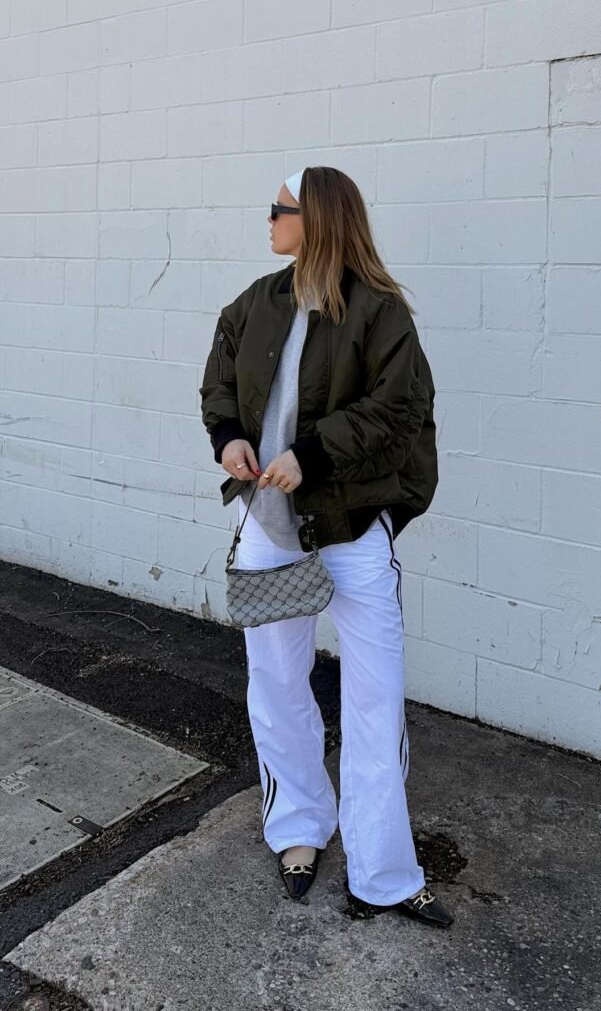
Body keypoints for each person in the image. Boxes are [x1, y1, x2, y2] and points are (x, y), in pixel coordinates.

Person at [199, 166, 453, 928]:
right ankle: (299, 829)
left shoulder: (379, 314)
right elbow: (217, 386)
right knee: (277, 687)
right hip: (268, 536)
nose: (267, 222)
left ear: (313, 218)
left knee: (375, 704)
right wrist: (231, 439)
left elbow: (400, 410)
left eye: (276, 210)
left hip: (349, 535)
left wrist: (312, 452)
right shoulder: (253, 304)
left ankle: (382, 873)